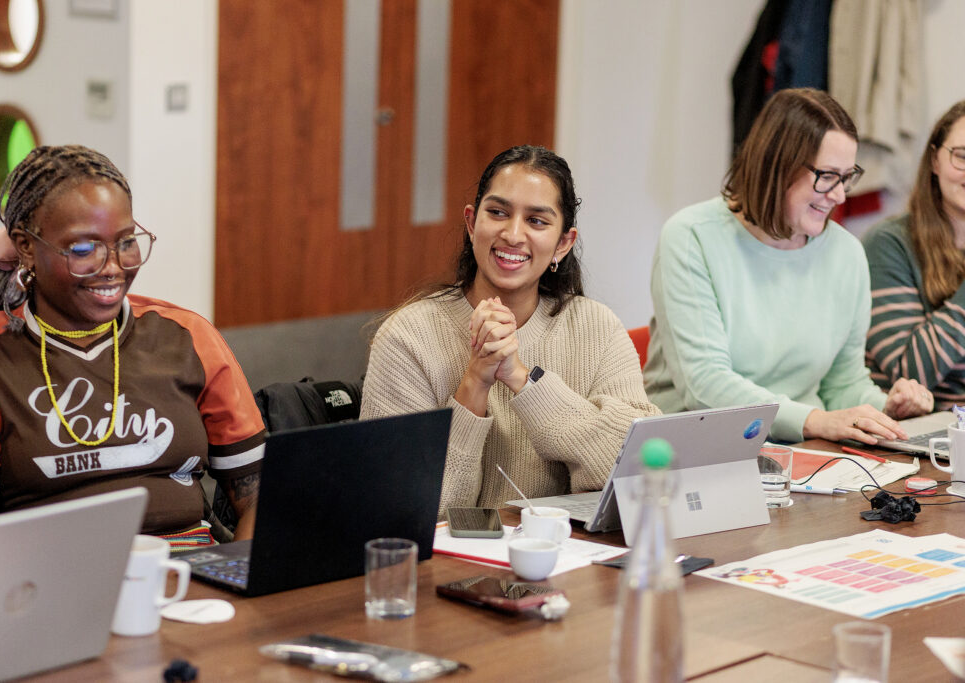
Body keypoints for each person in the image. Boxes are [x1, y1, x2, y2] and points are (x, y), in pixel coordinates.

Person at [0, 145, 265, 545]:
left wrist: (241, 580)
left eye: (126, 242)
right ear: (26, 247)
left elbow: (260, 500)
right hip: (53, 589)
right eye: (82, 249)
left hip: (191, 576)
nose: (112, 267)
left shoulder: (187, 336)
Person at [360, 145, 658, 516]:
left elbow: (641, 472)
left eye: (536, 221)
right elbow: (401, 509)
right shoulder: (408, 336)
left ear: (563, 243)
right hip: (455, 571)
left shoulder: (596, 327)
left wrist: (522, 378)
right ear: (472, 223)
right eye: (498, 213)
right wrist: (476, 381)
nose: (513, 235)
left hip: (566, 565)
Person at [643, 88, 933, 445]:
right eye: (827, 176)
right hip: (695, 451)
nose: (840, 195)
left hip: (803, 451)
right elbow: (705, 387)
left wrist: (884, 411)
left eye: (847, 176)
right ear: (776, 165)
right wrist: (815, 421)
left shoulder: (847, 254)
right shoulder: (691, 238)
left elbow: (843, 383)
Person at [862, 101, 965, 409]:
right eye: (961, 157)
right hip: (924, 432)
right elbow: (907, 372)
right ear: (935, 160)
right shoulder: (889, 244)